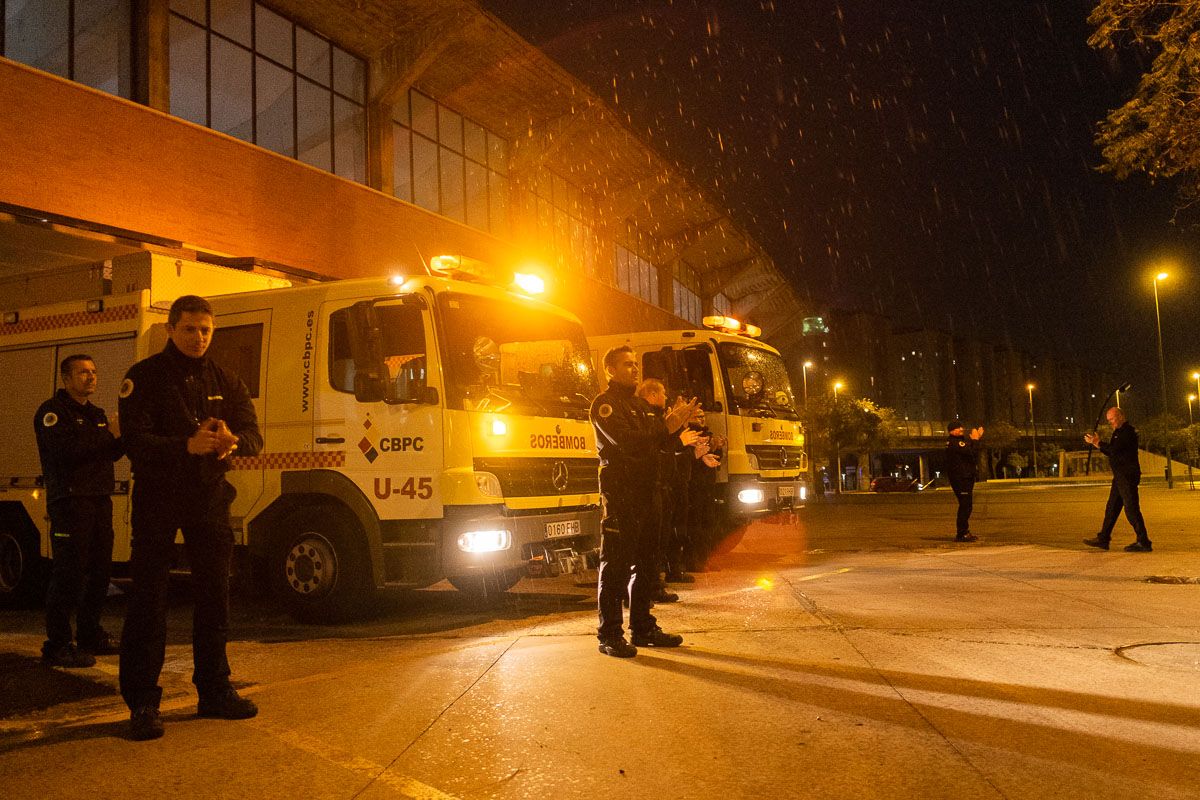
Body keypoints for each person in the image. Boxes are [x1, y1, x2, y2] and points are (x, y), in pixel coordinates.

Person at [117, 295, 263, 740]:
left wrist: (232, 441)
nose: (198, 338)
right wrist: (186, 445)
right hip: (158, 499)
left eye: (205, 330)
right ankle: (142, 703)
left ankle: (214, 690)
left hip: (208, 497)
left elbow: (255, 437)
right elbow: (135, 441)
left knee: (215, 596)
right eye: (189, 330)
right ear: (170, 330)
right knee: (150, 599)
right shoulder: (143, 378)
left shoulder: (226, 379)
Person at [591, 346, 697, 657]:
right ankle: (609, 634)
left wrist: (673, 431)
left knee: (648, 565)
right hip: (623, 494)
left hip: (651, 492)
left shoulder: (640, 405)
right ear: (610, 369)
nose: (634, 369)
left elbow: (659, 444)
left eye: (635, 364)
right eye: (626, 364)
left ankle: (643, 627)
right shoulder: (605, 405)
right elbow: (628, 443)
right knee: (616, 566)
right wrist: (665, 427)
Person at [34, 355, 124, 668]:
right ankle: (57, 645)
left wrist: (121, 435)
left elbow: (110, 452)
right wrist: (108, 435)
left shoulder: (96, 414)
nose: (90, 377)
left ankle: (90, 634)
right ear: (66, 378)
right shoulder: (52, 413)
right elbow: (67, 452)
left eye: (94, 371)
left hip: (99, 500)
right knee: (69, 574)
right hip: (71, 502)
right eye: (83, 372)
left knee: (100, 572)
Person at [1083, 407, 1152, 552]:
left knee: (1131, 509)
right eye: (1109, 420)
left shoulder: (1127, 432)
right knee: (1112, 508)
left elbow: (1114, 451)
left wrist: (1098, 443)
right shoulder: (1118, 432)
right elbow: (1113, 451)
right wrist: (1098, 444)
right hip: (1120, 477)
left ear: (1120, 416)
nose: (1111, 423)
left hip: (1127, 476)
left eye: (1112, 419)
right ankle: (1103, 539)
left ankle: (1143, 541)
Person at [945, 420, 984, 542]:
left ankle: (964, 532)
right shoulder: (955, 442)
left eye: (961, 427)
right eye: (958, 428)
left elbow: (969, 452)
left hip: (964, 477)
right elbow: (972, 452)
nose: (961, 429)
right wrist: (976, 439)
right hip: (961, 478)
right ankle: (962, 533)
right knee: (965, 505)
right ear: (952, 431)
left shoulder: (958, 442)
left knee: (967, 505)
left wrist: (975, 440)